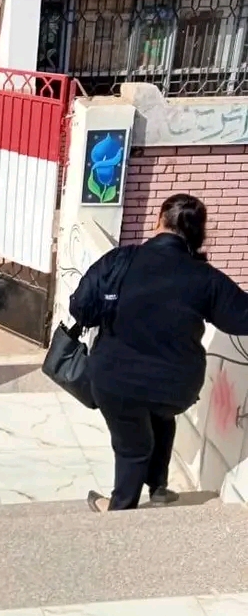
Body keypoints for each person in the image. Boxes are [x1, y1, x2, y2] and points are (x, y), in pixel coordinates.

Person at [70, 193, 248, 513]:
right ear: (197, 232)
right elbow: (241, 318)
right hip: (176, 388)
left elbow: (80, 307)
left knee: (133, 445)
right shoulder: (205, 277)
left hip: (115, 381)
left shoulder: (120, 260)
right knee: (161, 415)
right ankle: (159, 489)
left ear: (158, 221)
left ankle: (120, 508)